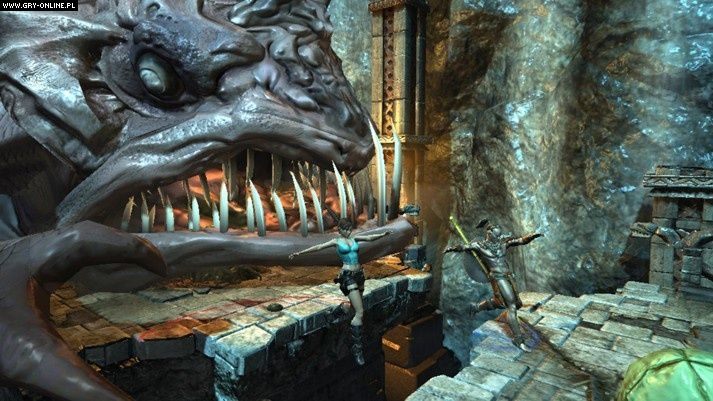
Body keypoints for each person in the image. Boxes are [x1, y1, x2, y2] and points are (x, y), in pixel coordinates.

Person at [289, 218, 390, 365]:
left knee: (354, 308)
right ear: (340, 229)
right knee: (360, 312)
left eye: (350, 229)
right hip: (348, 276)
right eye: (346, 229)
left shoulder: (354, 238)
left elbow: (369, 238)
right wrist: (299, 253)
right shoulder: (336, 241)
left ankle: (337, 312)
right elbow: (318, 247)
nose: (348, 232)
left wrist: (383, 234)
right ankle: (357, 349)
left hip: (359, 274)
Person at [444, 221, 542, 352]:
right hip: (498, 278)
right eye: (496, 236)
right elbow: (463, 247)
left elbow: (520, 241)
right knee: (511, 306)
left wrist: (533, 235)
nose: (498, 238)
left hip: (508, 276)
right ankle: (518, 340)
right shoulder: (479, 246)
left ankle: (477, 307)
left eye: (499, 235)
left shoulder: (502, 243)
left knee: (508, 302)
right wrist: (452, 248)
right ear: (489, 234)